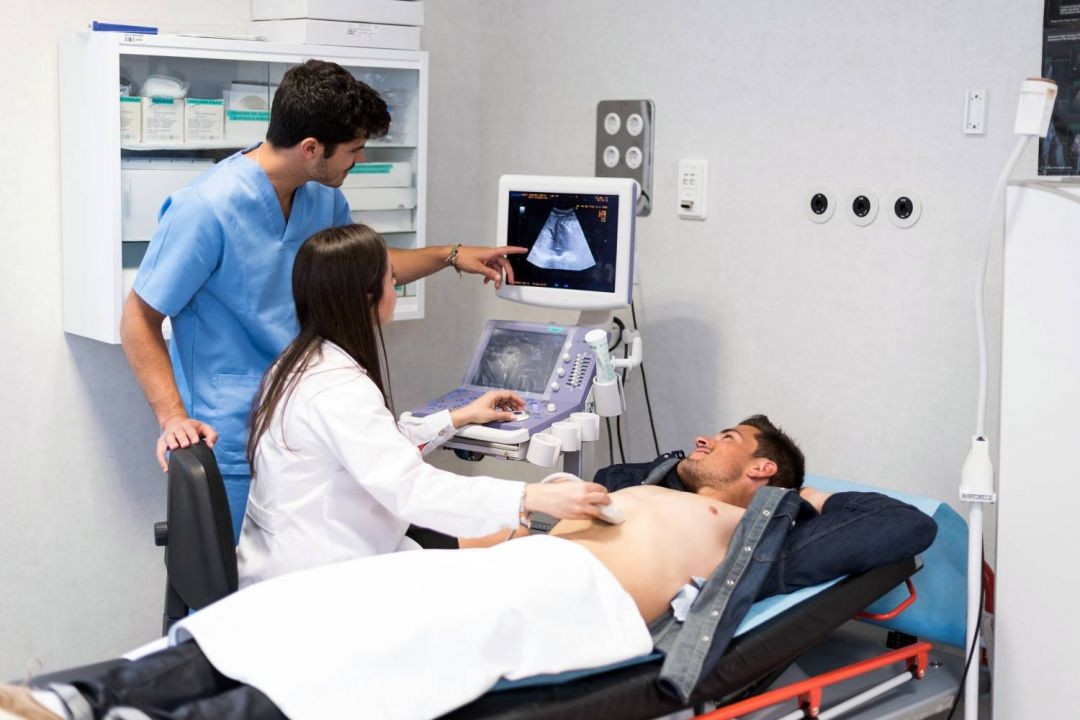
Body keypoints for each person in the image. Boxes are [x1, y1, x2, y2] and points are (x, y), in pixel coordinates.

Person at [0, 415, 937, 720]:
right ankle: (82, 695)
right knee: (300, 611)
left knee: (357, 664)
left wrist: (805, 495)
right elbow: (572, 490)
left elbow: (899, 524)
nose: (704, 437)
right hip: (503, 569)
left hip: (571, 603)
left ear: (764, 470)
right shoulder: (646, 483)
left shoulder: (766, 529)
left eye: (729, 437)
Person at [120, 59, 527, 537]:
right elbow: (138, 318)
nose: (359, 160)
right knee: (231, 577)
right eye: (353, 150)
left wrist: (450, 256)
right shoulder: (205, 209)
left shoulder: (321, 198)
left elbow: (366, 267)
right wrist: (173, 419)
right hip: (229, 435)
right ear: (311, 148)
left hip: (304, 428)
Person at [235, 223, 611, 586]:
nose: (396, 286)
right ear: (367, 297)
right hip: (327, 576)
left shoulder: (297, 363)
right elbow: (411, 489)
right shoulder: (338, 388)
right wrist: (530, 495)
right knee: (527, 542)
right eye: (391, 278)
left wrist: (458, 417)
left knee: (514, 532)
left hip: (309, 547)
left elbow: (373, 446)